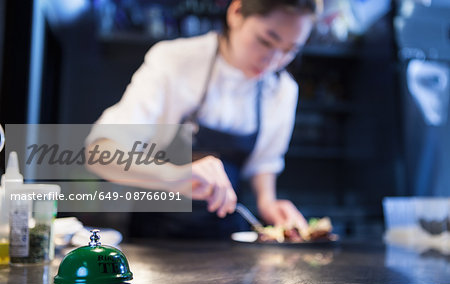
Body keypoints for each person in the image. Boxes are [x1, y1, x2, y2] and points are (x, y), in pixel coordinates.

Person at [86, 0, 320, 238]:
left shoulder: (282, 89)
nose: (272, 60)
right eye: (265, 41)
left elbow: (264, 164)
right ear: (236, 13)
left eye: (290, 50)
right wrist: (173, 175)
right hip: (155, 239)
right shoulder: (174, 60)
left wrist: (269, 203)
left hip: (227, 240)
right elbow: (99, 153)